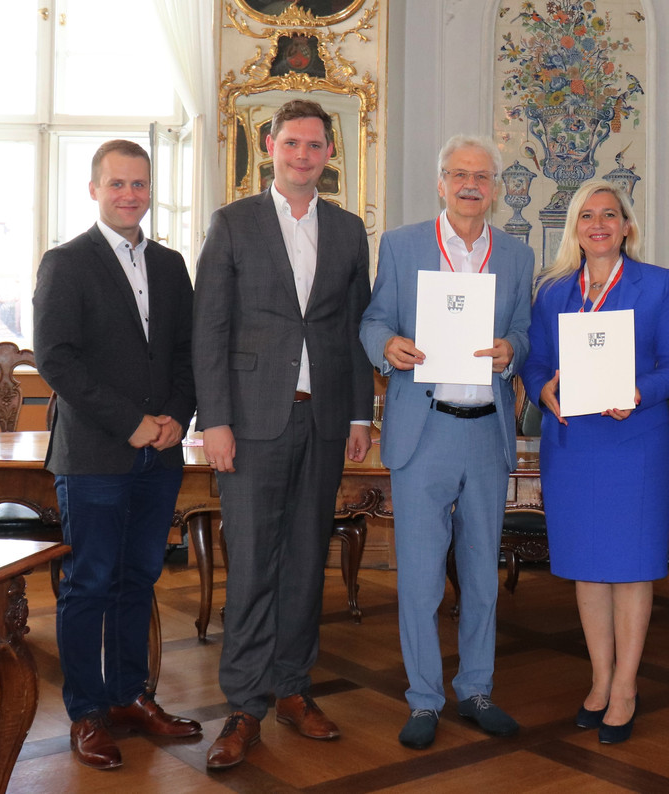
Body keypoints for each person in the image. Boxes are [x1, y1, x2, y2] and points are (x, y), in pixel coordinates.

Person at [192, 99, 375, 769]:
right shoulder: (233, 224)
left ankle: (294, 688)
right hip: (250, 424)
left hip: (323, 421)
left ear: (330, 154)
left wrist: (360, 415)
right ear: (270, 146)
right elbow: (208, 329)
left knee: (305, 562)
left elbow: (355, 330)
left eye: (315, 145)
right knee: (252, 568)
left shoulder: (351, 231)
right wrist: (214, 421)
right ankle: (244, 705)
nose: (303, 155)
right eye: (291, 143)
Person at [359, 134, 533, 751]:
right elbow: (374, 318)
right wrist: (386, 346)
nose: (470, 185)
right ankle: (425, 698)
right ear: (441, 182)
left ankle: (478, 689)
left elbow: (523, 328)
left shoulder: (516, 253)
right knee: (422, 577)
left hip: (486, 430)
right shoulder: (404, 246)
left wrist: (515, 348)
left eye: (482, 177)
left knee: (482, 572)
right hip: (423, 431)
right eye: (459, 174)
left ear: (495, 188)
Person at [33, 139, 200, 770]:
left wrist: (174, 421)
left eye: (139, 184)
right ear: (95, 190)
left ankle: (131, 695)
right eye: (117, 184)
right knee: (90, 585)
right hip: (95, 455)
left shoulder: (171, 263)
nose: (130, 195)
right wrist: (130, 423)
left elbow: (186, 353)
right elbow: (56, 359)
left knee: (140, 580)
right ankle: (88, 713)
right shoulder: (67, 262)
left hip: (161, 455)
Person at [520, 179, 669, 744]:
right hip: (573, 445)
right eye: (588, 215)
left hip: (635, 443)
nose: (599, 224)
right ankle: (598, 679)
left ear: (626, 226)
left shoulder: (658, 285)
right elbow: (537, 362)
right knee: (587, 567)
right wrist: (542, 388)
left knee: (632, 566)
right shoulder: (552, 292)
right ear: (576, 226)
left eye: (610, 215)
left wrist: (638, 393)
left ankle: (626, 686)